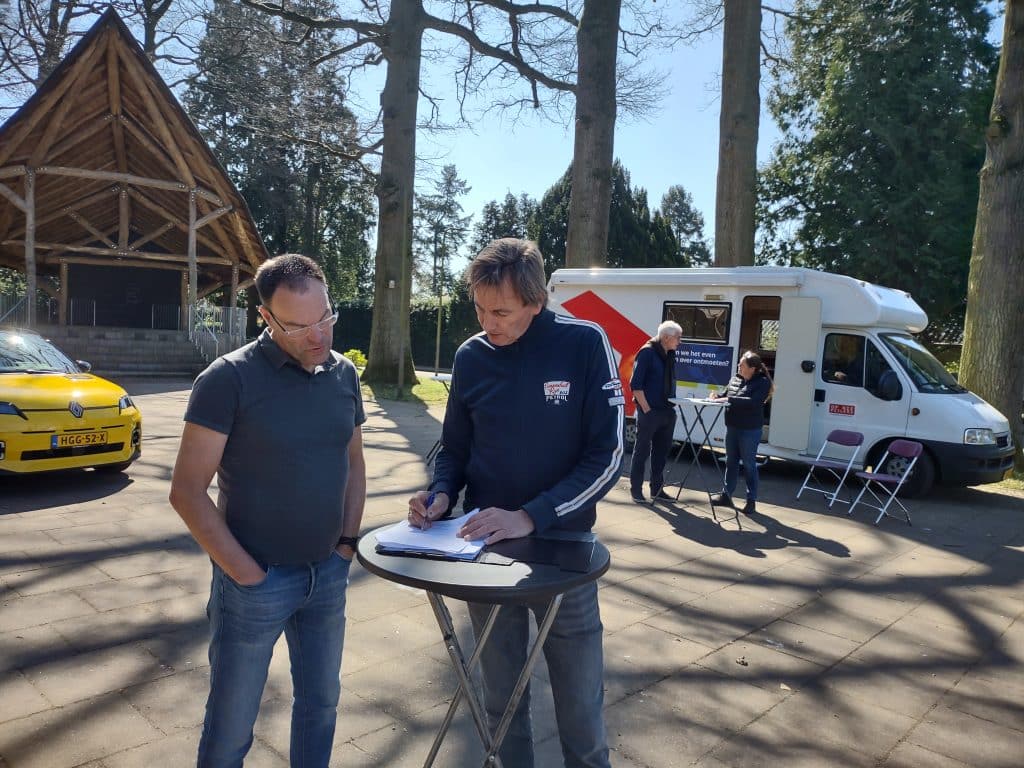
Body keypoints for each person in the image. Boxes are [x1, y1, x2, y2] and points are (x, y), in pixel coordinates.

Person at [407, 238, 622, 768]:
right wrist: (438, 495)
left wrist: (531, 515)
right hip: (485, 550)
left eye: (500, 311)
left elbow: (609, 454)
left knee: (580, 708)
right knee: (500, 703)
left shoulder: (584, 343)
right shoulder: (471, 356)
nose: (488, 323)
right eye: (478, 308)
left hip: (564, 549)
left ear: (537, 301)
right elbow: (454, 449)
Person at [169, 254, 366, 768]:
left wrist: (347, 544)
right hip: (255, 583)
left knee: (321, 707)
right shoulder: (227, 380)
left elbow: (355, 466)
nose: (317, 335)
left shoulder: (343, 375)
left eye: (324, 317)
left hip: (327, 574)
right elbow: (187, 492)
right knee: (232, 725)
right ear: (266, 318)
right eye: (298, 326)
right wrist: (245, 574)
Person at [709, 350, 773, 515]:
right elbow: (725, 395)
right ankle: (726, 495)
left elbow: (753, 402)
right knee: (731, 461)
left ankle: (751, 500)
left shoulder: (763, 382)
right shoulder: (735, 379)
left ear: (752, 369)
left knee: (749, 464)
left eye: (742, 364)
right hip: (732, 426)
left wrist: (727, 399)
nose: (738, 366)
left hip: (750, 429)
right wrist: (716, 396)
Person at [628, 320, 683, 503]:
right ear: (666, 337)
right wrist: (647, 410)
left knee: (661, 453)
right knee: (641, 452)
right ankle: (636, 489)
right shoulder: (647, 353)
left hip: (668, 411)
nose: (679, 341)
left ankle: (657, 490)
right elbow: (636, 385)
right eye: (678, 337)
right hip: (650, 412)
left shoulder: (670, 354)